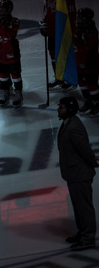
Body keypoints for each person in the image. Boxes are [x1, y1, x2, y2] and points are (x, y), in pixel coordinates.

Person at [56, 97, 98, 251]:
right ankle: (83, 233)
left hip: (80, 174)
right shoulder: (67, 123)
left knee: (84, 208)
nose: (59, 110)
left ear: (70, 109)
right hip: (74, 174)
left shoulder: (73, 127)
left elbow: (84, 149)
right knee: (78, 207)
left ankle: (88, 238)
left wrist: (93, 162)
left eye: (62, 107)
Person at [41, 0, 77, 91]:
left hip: (64, 32)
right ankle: (59, 77)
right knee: (53, 55)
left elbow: (72, 14)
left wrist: (71, 31)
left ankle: (68, 78)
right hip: (52, 31)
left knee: (65, 55)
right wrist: (44, 25)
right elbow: (46, 11)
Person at [0, 0, 23, 106]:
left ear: (9, 10)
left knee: (16, 75)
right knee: (3, 76)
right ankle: (6, 92)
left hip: (11, 53)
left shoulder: (15, 21)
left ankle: (18, 93)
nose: (0, 11)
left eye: (2, 9)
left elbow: (8, 35)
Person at [73, 8, 99, 115]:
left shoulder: (90, 31)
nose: (77, 19)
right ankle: (89, 101)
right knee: (82, 82)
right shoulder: (79, 28)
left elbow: (86, 48)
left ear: (86, 19)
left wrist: (73, 40)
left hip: (90, 62)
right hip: (80, 61)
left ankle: (97, 104)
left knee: (91, 83)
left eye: (80, 17)